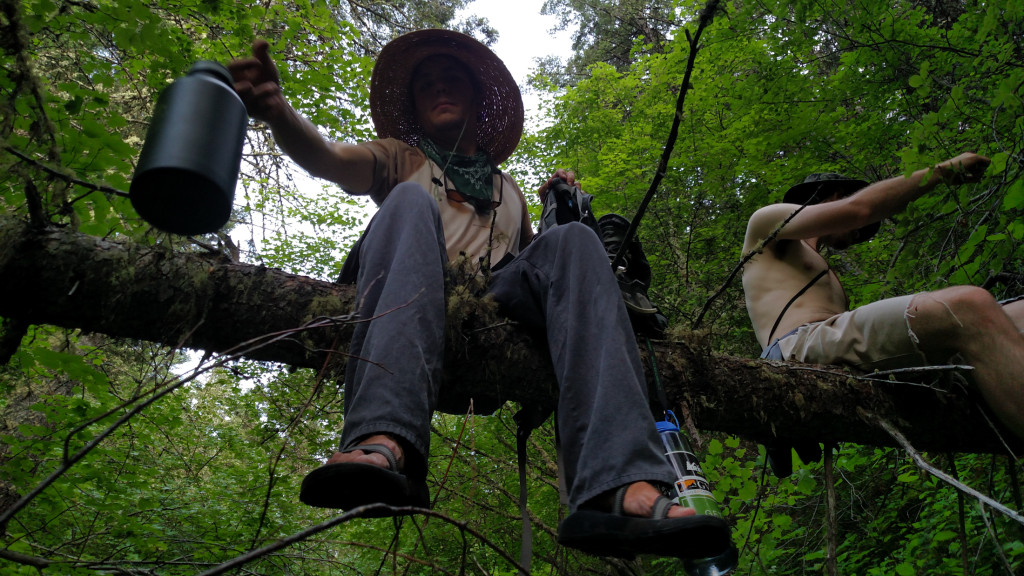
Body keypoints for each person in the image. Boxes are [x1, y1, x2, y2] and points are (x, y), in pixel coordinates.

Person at [228, 29, 730, 560]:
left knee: (577, 243)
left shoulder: (507, 190)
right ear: (415, 107)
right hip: (412, 293)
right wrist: (280, 113)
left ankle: (618, 483)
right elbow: (330, 159)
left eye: (452, 80)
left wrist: (565, 210)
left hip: (492, 308)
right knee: (404, 204)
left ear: (475, 98)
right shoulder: (401, 158)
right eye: (426, 85)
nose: (439, 89)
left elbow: (547, 274)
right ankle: (382, 439)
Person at [742, 153, 1024, 467]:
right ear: (832, 197)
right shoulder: (766, 223)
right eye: (861, 230)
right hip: (797, 346)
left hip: (837, 345)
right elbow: (860, 210)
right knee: (966, 306)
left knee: (1018, 313)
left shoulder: (819, 269)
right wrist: (943, 171)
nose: (859, 235)